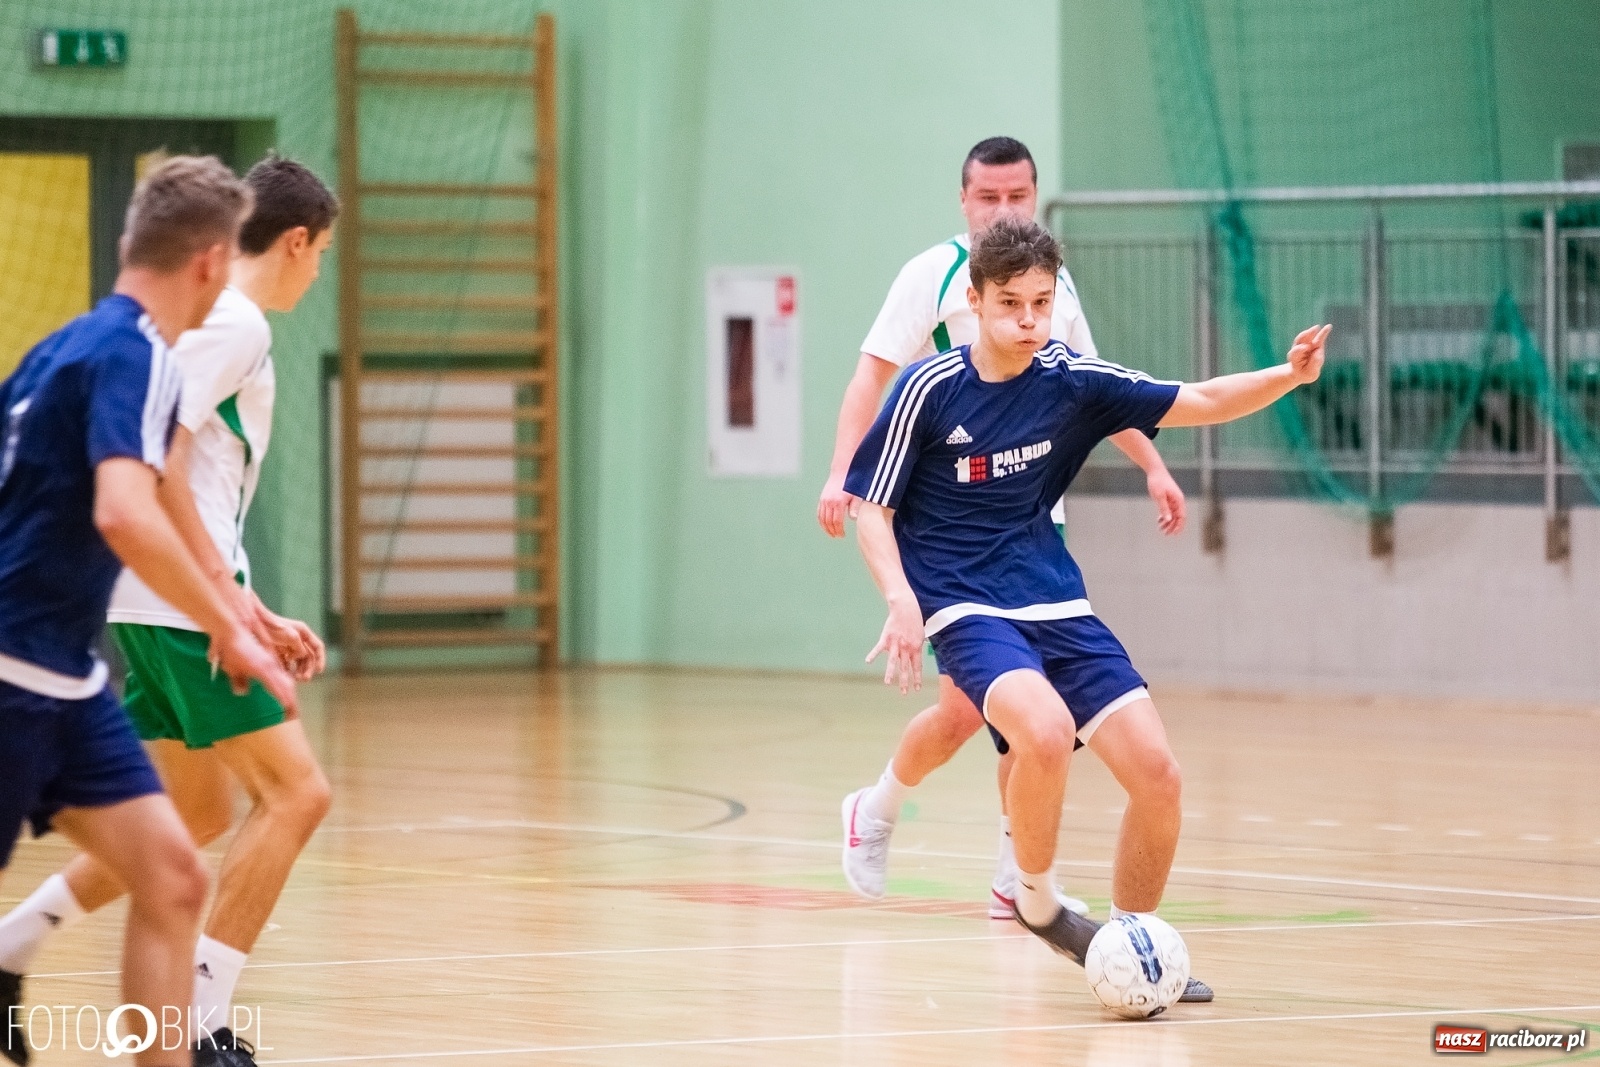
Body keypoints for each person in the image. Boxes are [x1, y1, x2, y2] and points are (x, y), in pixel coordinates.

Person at [844, 214, 1329, 1002]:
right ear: (974, 301)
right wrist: (900, 600)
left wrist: (1288, 376)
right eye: (1011, 304)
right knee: (1042, 730)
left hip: (1056, 599)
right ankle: (1037, 900)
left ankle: (1131, 943)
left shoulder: (1069, 379)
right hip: (965, 604)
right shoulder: (928, 389)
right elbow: (873, 509)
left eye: (1041, 303)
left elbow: (1198, 398)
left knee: (1159, 776)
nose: (1029, 321)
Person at [0, 154, 337, 1067]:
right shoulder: (230, 326)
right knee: (295, 792)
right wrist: (232, 618)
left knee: (185, 828)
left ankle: (18, 950)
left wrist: (249, 606)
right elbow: (151, 478)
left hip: (112, 618)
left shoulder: (90, 343)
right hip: (137, 612)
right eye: (322, 255)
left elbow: (176, 478)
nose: (318, 273)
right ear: (292, 243)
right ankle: (204, 1024)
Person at [823, 136, 1184, 920]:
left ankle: (1011, 872)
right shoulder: (933, 276)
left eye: (1017, 196)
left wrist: (1151, 463)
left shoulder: (1051, 285)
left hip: (1029, 524)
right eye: (988, 198)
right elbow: (872, 374)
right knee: (976, 711)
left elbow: (1094, 387)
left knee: (1022, 718)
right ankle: (880, 809)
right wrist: (839, 474)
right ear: (964, 201)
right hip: (949, 531)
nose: (1003, 210)